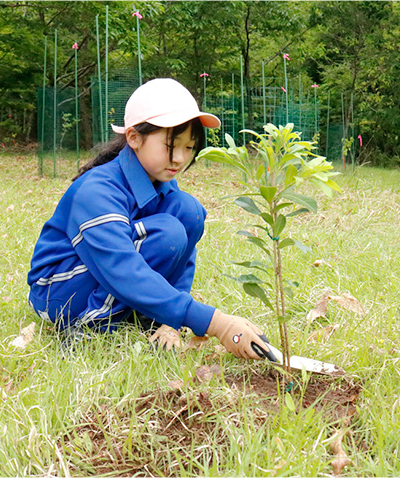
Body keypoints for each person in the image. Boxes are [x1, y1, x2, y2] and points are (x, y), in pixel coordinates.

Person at [27, 78, 271, 359]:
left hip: (102, 276)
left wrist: (172, 322)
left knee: (188, 213)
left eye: (189, 147)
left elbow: (182, 257)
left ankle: (149, 314)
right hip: (59, 290)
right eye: (171, 145)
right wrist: (214, 322)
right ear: (134, 138)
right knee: (166, 232)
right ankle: (90, 326)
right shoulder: (97, 190)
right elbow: (120, 267)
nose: (179, 158)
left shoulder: (163, 183)